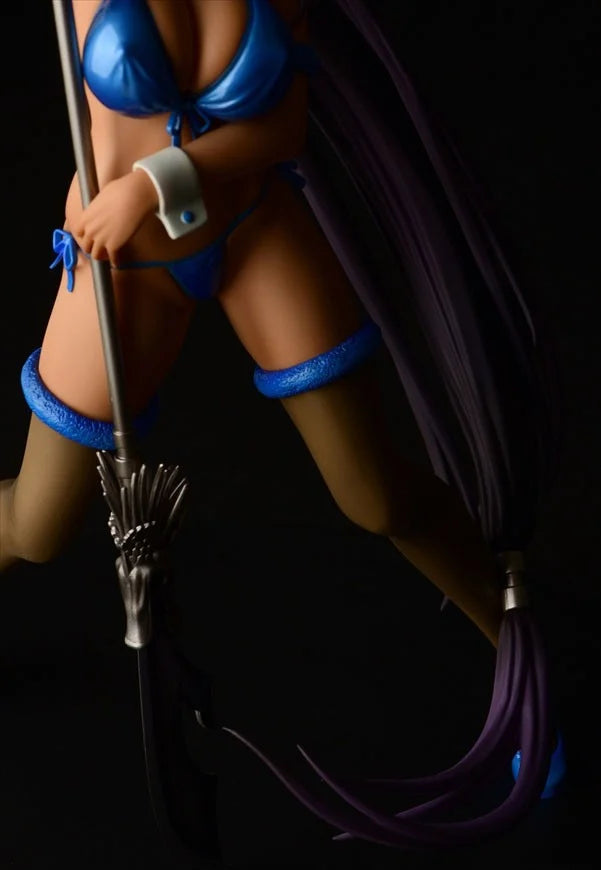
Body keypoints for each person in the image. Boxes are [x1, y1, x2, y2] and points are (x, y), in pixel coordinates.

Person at [0, 0, 505, 653]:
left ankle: (520, 653)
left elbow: (282, 129)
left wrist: (149, 186)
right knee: (37, 525)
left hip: (254, 231)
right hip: (123, 264)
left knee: (374, 493)